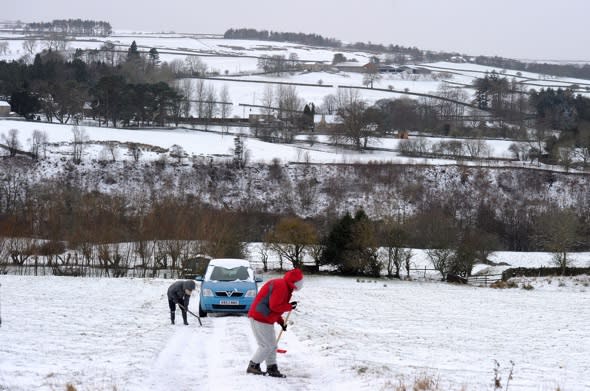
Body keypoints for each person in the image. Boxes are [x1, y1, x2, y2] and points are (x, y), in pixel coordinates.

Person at [246, 268, 303, 378]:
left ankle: (272, 367)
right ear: (294, 282)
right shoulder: (281, 286)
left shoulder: (284, 286)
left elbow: (274, 307)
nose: (301, 285)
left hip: (265, 317)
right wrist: (290, 306)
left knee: (272, 345)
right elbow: (275, 306)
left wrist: (281, 322)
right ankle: (253, 365)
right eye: (300, 282)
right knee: (266, 345)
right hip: (260, 317)